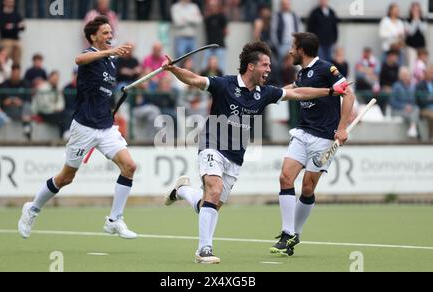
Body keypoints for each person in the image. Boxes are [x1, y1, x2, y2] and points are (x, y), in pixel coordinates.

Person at [162, 40, 349, 264]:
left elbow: (298, 93)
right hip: (212, 144)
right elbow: (194, 79)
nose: (269, 69)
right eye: (265, 65)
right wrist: (174, 69)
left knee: (208, 204)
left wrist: (330, 91)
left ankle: (182, 190)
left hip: (235, 156)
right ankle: (204, 250)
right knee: (214, 188)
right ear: (251, 66)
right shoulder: (224, 84)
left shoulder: (266, 93)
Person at [18, 16, 137, 240]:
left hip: (106, 126)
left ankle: (114, 220)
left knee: (129, 166)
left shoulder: (112, 62)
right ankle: (32, 209)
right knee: (66, 177)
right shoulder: (91, 56)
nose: (109, 36)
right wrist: (109, 52)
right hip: (83, 127)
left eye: (110, 32)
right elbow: (79, 59)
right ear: (93, 36)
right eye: (104, 32)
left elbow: (103, 93)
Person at [270, 32, 355, 257]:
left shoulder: (328, 69)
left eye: (292, 47)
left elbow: (349, 95)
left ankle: (295, 233)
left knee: (308, 187)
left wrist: (343, 127)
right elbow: (295, 88)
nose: (289, 51)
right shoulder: (303, 73)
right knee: (285, 177)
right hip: (302, 132)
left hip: (324, 137)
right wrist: (268, 94)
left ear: (302, 50)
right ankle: (287, 232)